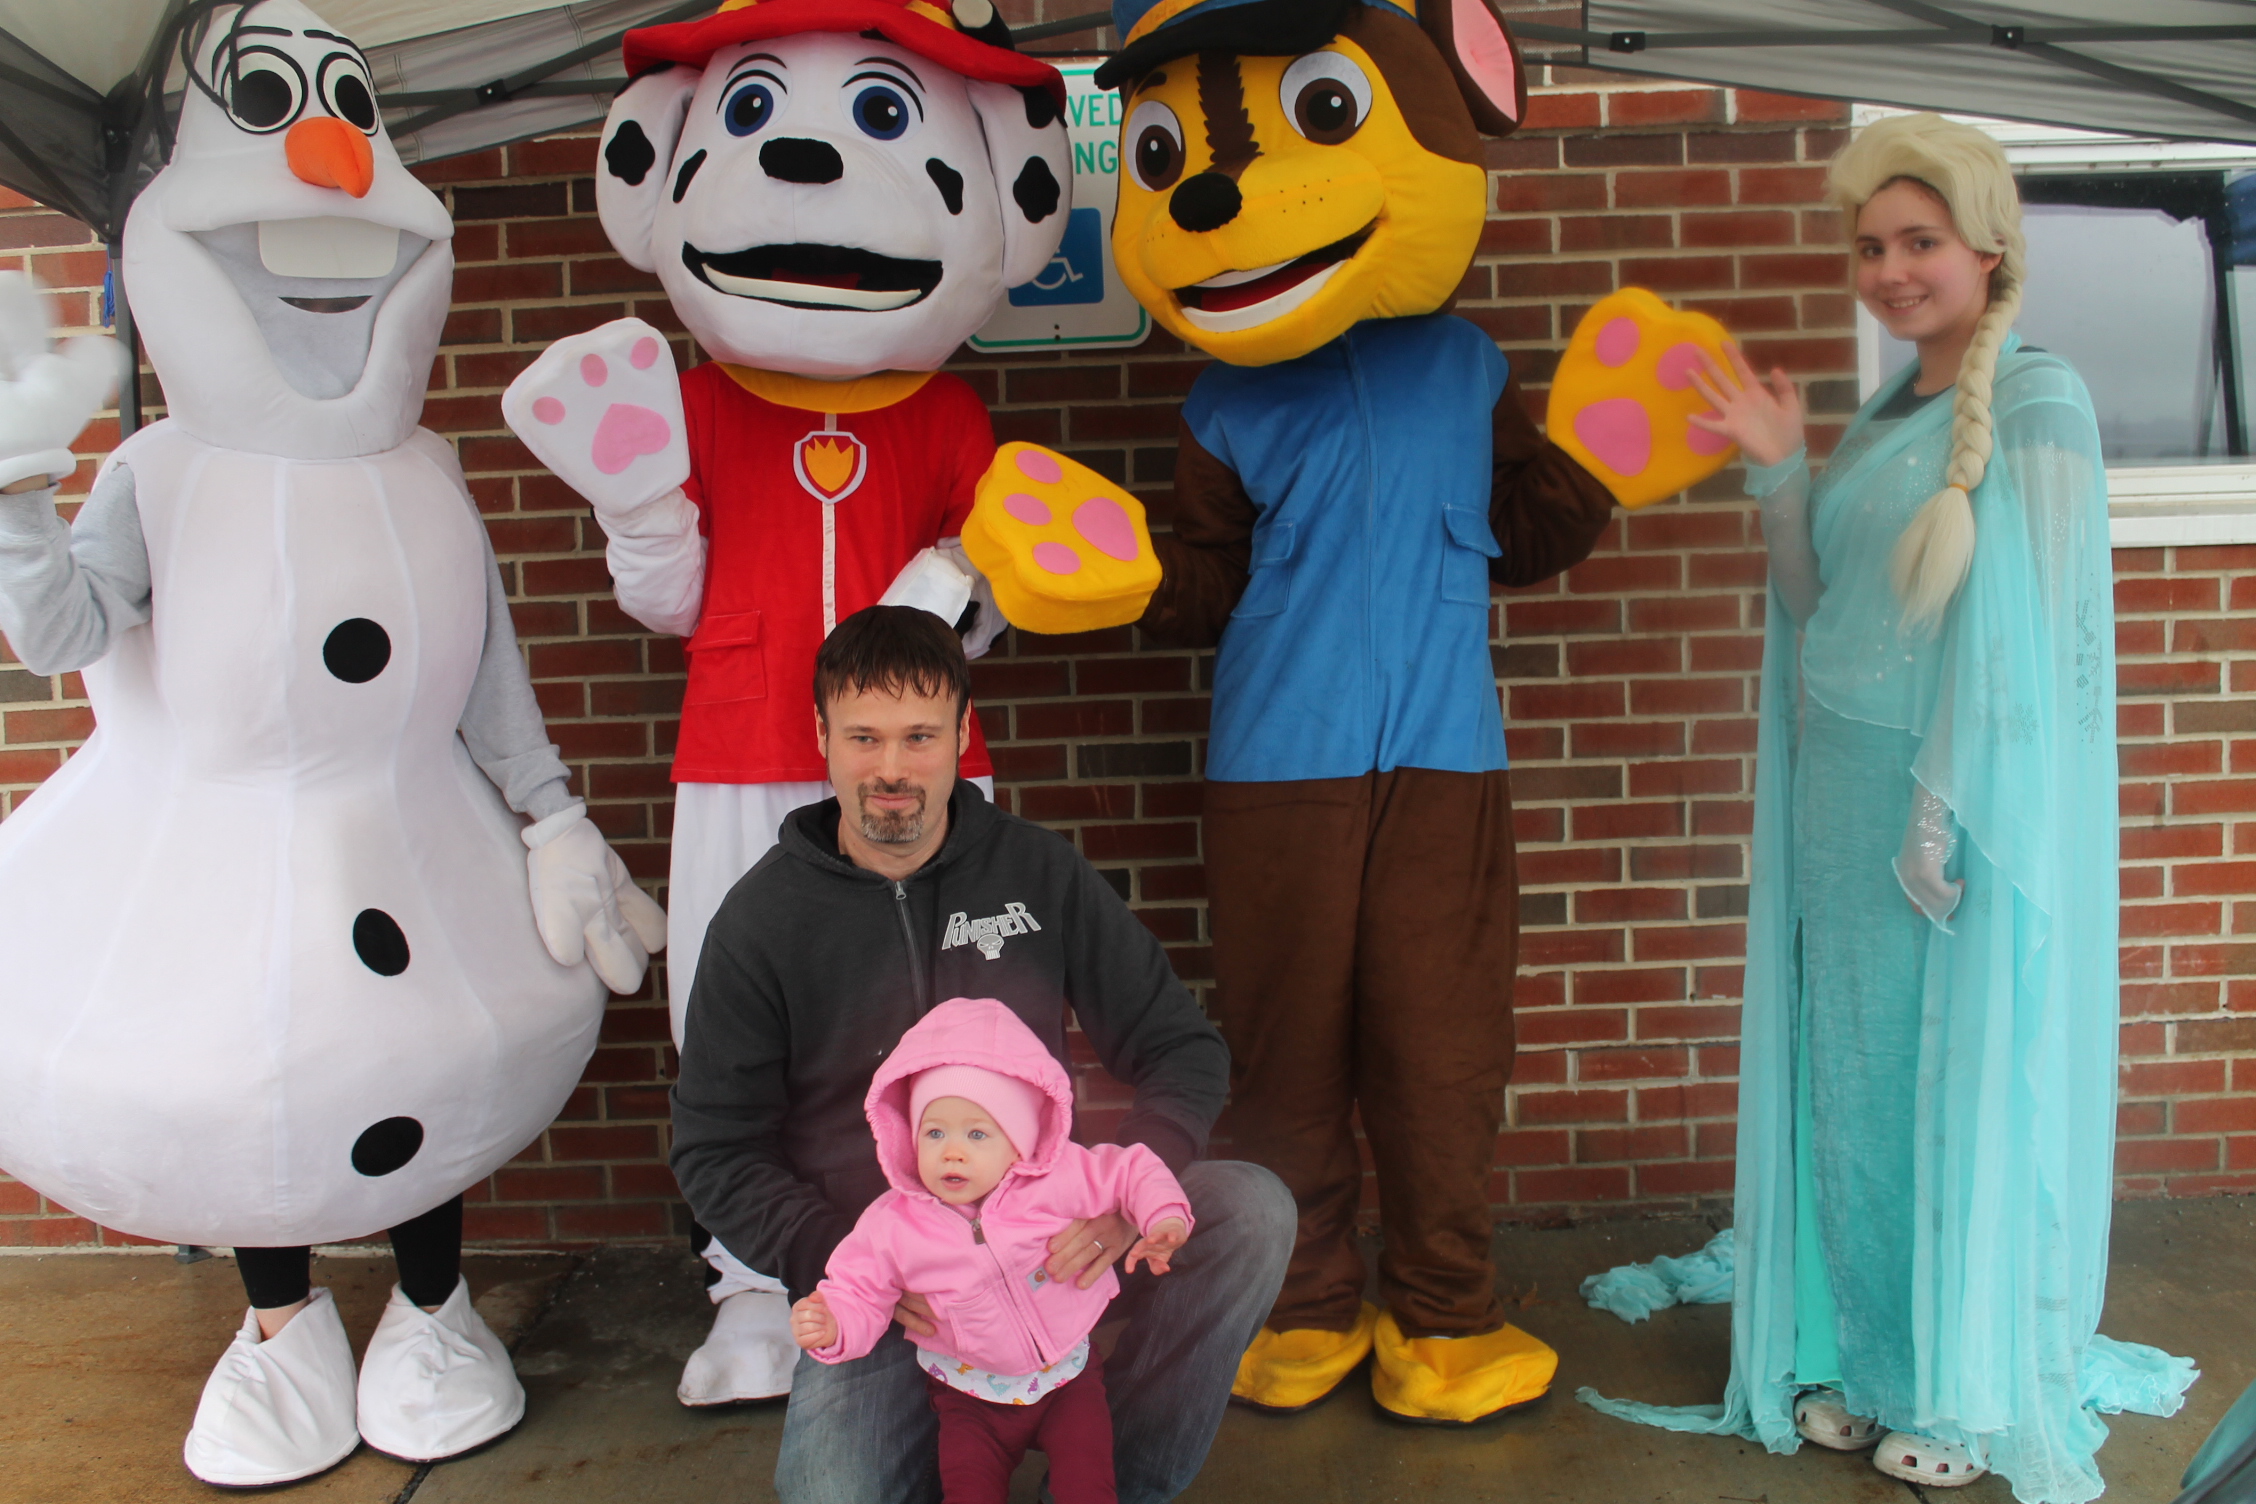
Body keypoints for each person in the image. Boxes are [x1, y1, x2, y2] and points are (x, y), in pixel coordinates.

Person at [1579, 113, 2194, 1502]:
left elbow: (2031, 654)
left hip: (1959, 827)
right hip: (1842, 816)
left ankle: (1959, 1387)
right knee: (1854, 1091)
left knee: (1951, 1091)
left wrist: (1942, 813)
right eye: (1869, 247)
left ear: (1989, 248)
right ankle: (1867, 1359)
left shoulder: (2040, 401)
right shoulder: (1883, 416)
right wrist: (1782, 469)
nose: (1890, 270)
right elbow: (1822, 612)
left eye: (1920, 241)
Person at [671, 604, 1293, 1504]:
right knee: (830, 1494)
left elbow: (1180, 1046)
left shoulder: (1036, 872)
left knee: (1253, 1213)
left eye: (920, 737)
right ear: (821, 736)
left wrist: (1125, 1199)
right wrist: (844, 1260)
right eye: (865, 737)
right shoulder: (761, 921)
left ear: (964, 732)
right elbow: (715, 1147)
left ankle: (1119, 1478)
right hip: (895, 1283)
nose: (891, 769)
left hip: (1058, 1244)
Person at [790, 997, 1193, 1504]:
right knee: (969, 1490)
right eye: (934, 1132)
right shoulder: (893, 1222)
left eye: (977, 1133)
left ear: (1018, 1141)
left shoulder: (1056, 1178)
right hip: (969, 1396)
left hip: (1068, 1381)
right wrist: (833, 1323)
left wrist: (1162, 1217)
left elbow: (1131, 1170)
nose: (952, 1151)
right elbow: (856, 1287)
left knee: (1088, 1487)